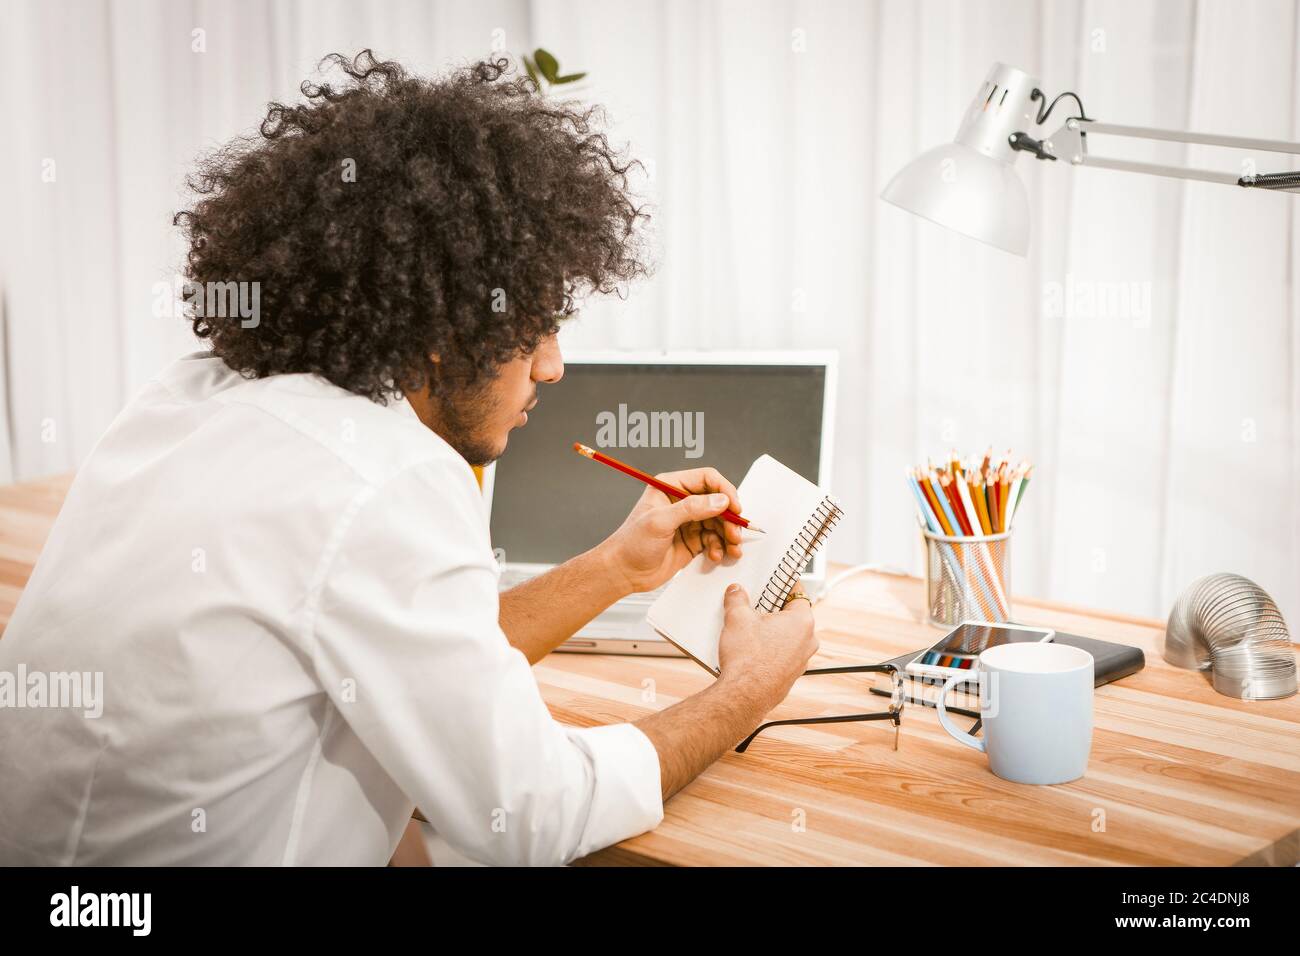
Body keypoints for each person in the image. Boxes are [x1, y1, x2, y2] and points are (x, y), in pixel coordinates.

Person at [0, 52, 816, 866]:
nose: (552, 365)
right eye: (530, 328)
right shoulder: (386, 478)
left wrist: (613, 568)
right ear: (435, 330)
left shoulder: (189, 396)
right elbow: (535, 813)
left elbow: (411, 655)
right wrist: (748, 688)